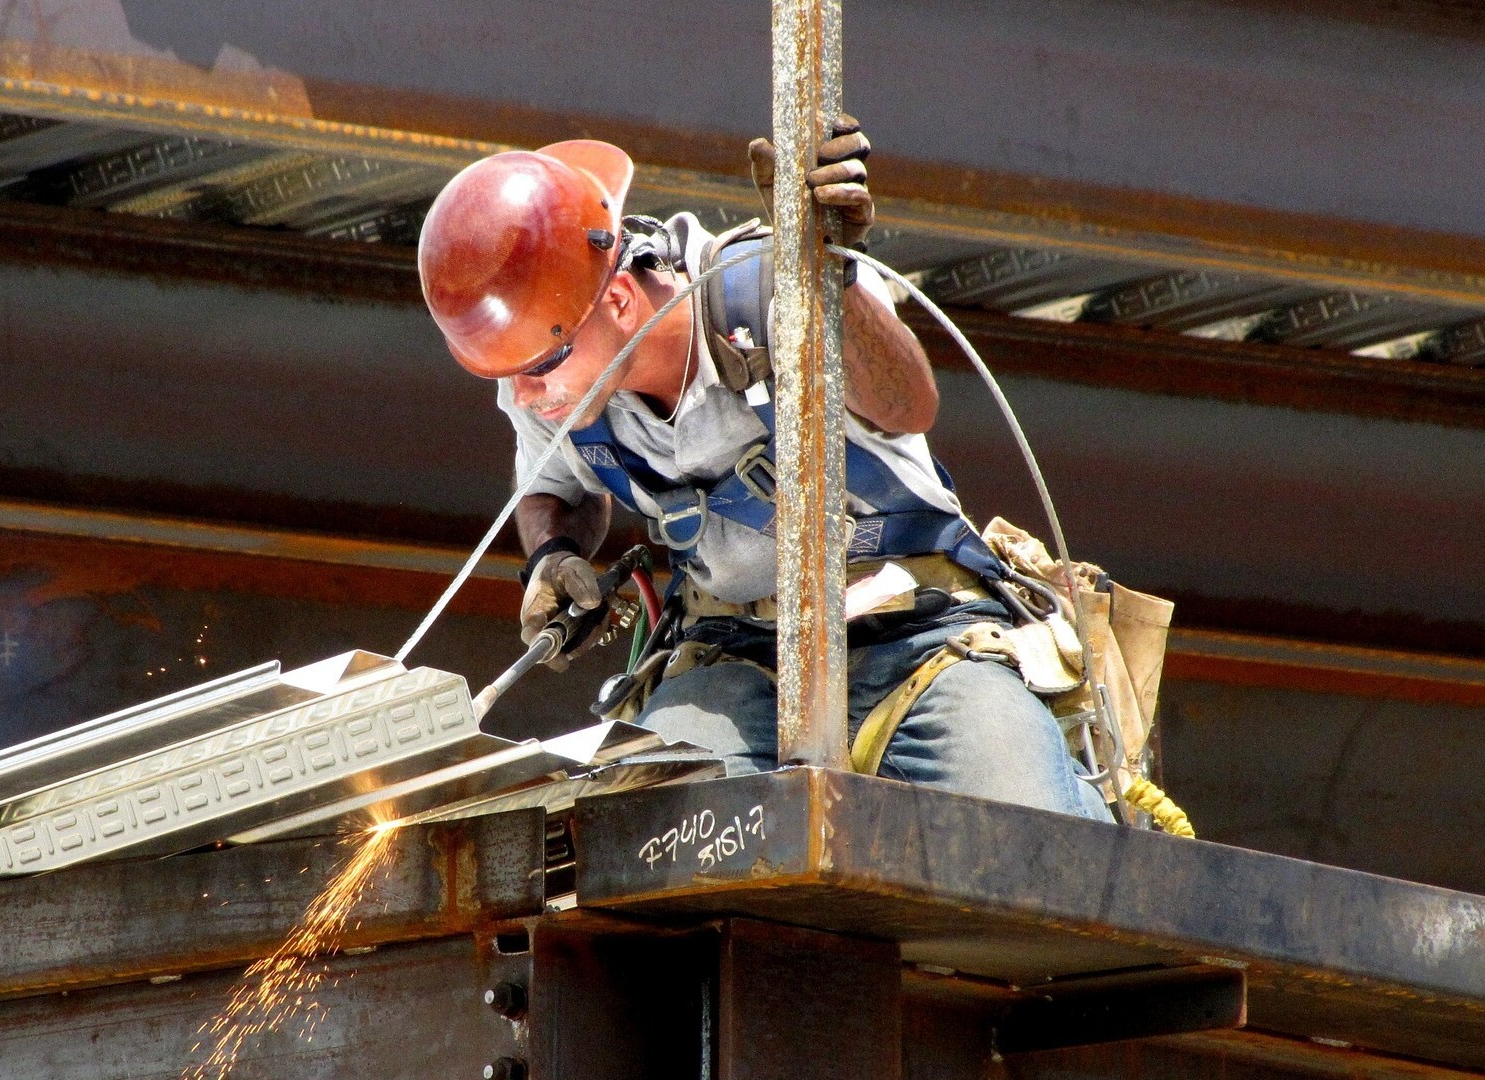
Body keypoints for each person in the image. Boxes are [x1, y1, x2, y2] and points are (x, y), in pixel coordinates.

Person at [415, 122, 1110, 821]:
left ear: (619, 301)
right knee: (643, 835)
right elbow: (557, 486)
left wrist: (826, 282)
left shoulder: (774, 290)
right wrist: (553, 555)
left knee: (1031, 840)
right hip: (730, 654)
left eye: (536, 370)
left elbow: (908, 405)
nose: (526, 395)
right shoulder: (550, 370)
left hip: (917, 634)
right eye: (507, 376)